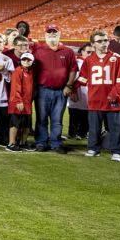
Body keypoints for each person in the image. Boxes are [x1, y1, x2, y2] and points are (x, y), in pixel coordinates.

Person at [79, 31, 120, 161]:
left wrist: (113, 94)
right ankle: (93, 148)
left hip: (114, 99)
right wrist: (71, 89)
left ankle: (117, 151)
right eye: (100, 41)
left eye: (106, 40)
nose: (104, 43)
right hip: (95, 99)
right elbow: (82, 79)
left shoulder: (117, 58)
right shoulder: (88, 60)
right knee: (94, 127)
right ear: (93, 44)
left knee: (115, 127)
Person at [31, 24, 78, 153]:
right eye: (49, 33)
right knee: (41, 118)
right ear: (45, 35)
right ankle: (41, 142)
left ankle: (55, 143)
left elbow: (73, 70)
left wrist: (69, 85)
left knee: (57, 119)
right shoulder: (38, 51)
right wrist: (34, 88)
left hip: (61, 90)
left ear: (59, 34)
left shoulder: (68, 51)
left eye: (54, 33)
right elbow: (33, 71)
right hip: (42, 89)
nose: (52, 35)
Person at [6, 52, 36, 152]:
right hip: (17, 101)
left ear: (32, 61)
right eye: (24, 59)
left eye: (28, 60)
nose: (26, 61)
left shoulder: (31, 72)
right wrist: (19, 101)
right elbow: (15, 87)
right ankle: (11, 144)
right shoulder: (18, 71)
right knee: (15, 123)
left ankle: (23, 143)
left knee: (27, 124)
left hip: (27, 102)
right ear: (21, 61)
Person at [66, 44, 93, 142]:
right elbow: (72, 78)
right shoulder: (77, 62)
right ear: (82, 51)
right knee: (74, 112)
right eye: (88, 52)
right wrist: (72, 91)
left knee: (85, 113)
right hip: (78, 90)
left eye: (92, 52)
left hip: (88, 90)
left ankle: (82, 133)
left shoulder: (92, 62)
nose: (90, 54)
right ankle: (73, 133)